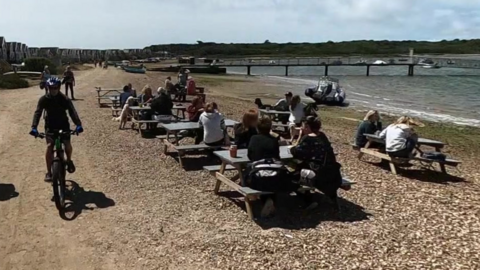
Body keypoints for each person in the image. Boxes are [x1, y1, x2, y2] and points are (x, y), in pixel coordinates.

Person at [30, 77, 84, 182]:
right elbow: (38, 113)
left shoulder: (64, 99)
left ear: (59, 87)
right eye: (51, 88)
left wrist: (78, 125)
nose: (53, 90)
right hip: (50, 126)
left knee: (67, 144)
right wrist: (34, 127)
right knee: (50, 146)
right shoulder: (44, 99)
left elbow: (72, 112)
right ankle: (49, 172)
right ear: (48, 87)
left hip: (63, 125)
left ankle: (68, 160)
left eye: (55, 88)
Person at [289, 116, 342, 209]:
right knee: (303, 167)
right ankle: (332, 197)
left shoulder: (308, 138)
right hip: (333, 173)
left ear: (308, 127)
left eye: (303, 126)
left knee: (293, 177)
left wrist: (299, 138)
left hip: (318, 174)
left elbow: (296, 152)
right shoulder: (322, 136)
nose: (301, 128)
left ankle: (308, 199)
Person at [246, 117, 281, 217]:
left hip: (258, 173)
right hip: (274, 173)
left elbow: (250, 155)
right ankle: (270, 201)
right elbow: (277, 156)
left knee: (248, 174)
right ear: (270, 128)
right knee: (271, 179)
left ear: (258, 128)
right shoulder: (274, 140)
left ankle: (265, 200)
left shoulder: (254, 138)